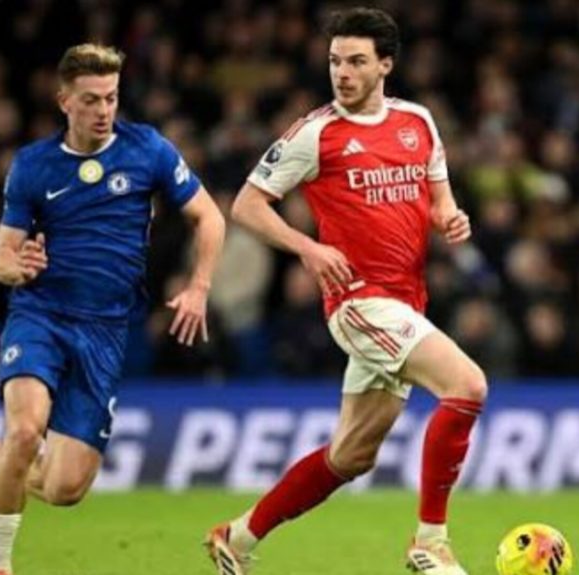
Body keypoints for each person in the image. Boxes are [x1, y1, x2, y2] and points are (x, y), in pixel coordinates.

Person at [206, 8, 486, 575]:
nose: (343, 73)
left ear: (386, 65)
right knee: (467, 386)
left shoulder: (417, 122)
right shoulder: (315, 133)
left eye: (356, 61)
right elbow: (247, 206)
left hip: (406, 302)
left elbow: (440, 199)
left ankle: (236, 538)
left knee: (351, 456)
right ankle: (431, 541)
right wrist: (307, 249)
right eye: (336, 61)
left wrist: (451, 218)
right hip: (358, 302)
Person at [0, 44, 225, 575]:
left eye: (111, 98)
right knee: (25, 432)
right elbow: (1, 256)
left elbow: (209, 218)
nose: (104, 110)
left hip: (104, 332)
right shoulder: (33, 166)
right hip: (40, 316)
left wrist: (199, 286)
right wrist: (16, 268)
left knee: (65, 487)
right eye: (92, 99)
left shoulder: (148, 150)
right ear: (64, 102)